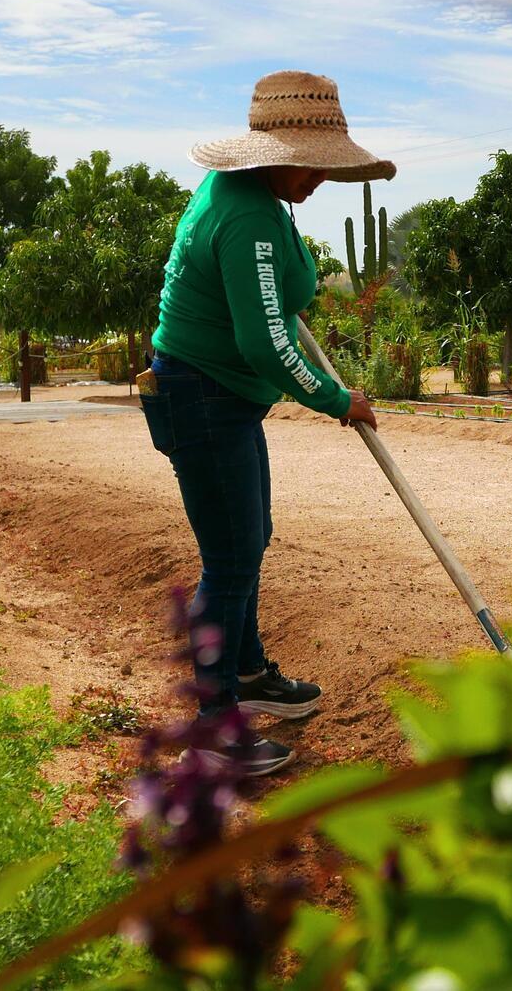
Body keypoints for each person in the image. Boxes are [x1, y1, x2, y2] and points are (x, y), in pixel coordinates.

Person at [141, 70, 387, 776]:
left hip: (220, 395)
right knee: (230, 558)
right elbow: (264, 341)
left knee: (249, 540)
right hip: (204, 396)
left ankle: (246, 675)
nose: (318, 180)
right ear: (271, 154)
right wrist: (339, 401)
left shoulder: (255, 193)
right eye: (311, 164)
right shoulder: (248, 212)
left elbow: (264, 302)